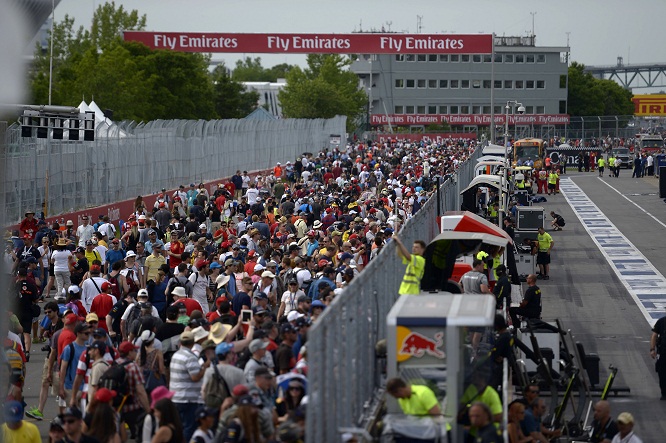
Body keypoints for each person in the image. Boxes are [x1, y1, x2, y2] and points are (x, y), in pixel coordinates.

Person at [170, 330, 212, 441]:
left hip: (176, 397)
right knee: (189, 427)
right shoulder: (190, 357)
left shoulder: (176, 355)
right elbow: (195, 377)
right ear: (193, 342)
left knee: (181, 427)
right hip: (188, 399)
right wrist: (205, 366)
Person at [650, 314, 666, 399]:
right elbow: (654, 335)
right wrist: (652, 349)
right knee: (662, 372)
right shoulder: (662, 321)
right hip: (663, 353)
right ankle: (664, 393)